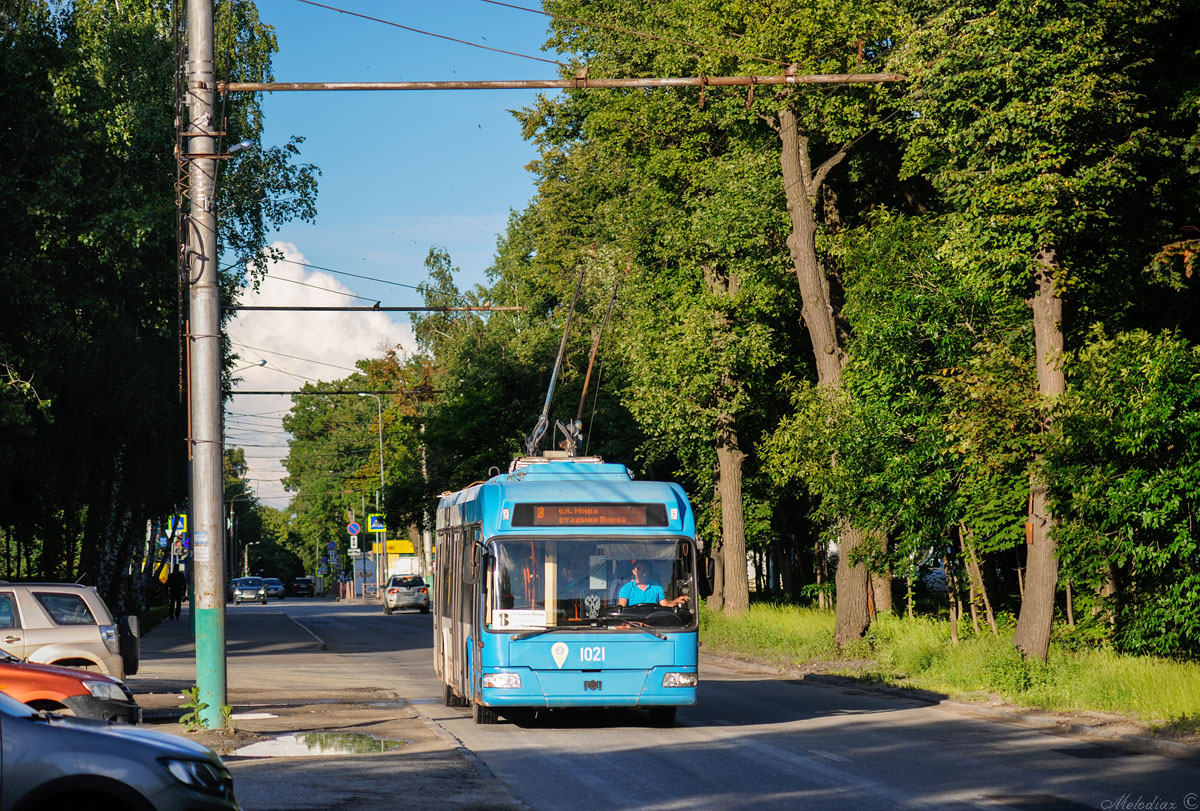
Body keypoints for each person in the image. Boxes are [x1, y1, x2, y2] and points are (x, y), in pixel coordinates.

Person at [618, 560, 688, 608]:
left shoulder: (657, 587)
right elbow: (621, 607)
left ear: (648, 571)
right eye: (639, 569)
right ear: (633, 571)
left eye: (645, 569)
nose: (642, 572)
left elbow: (665, 604)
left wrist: (676, 601)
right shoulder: (626, 588)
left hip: (653, 623)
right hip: (633, 624)